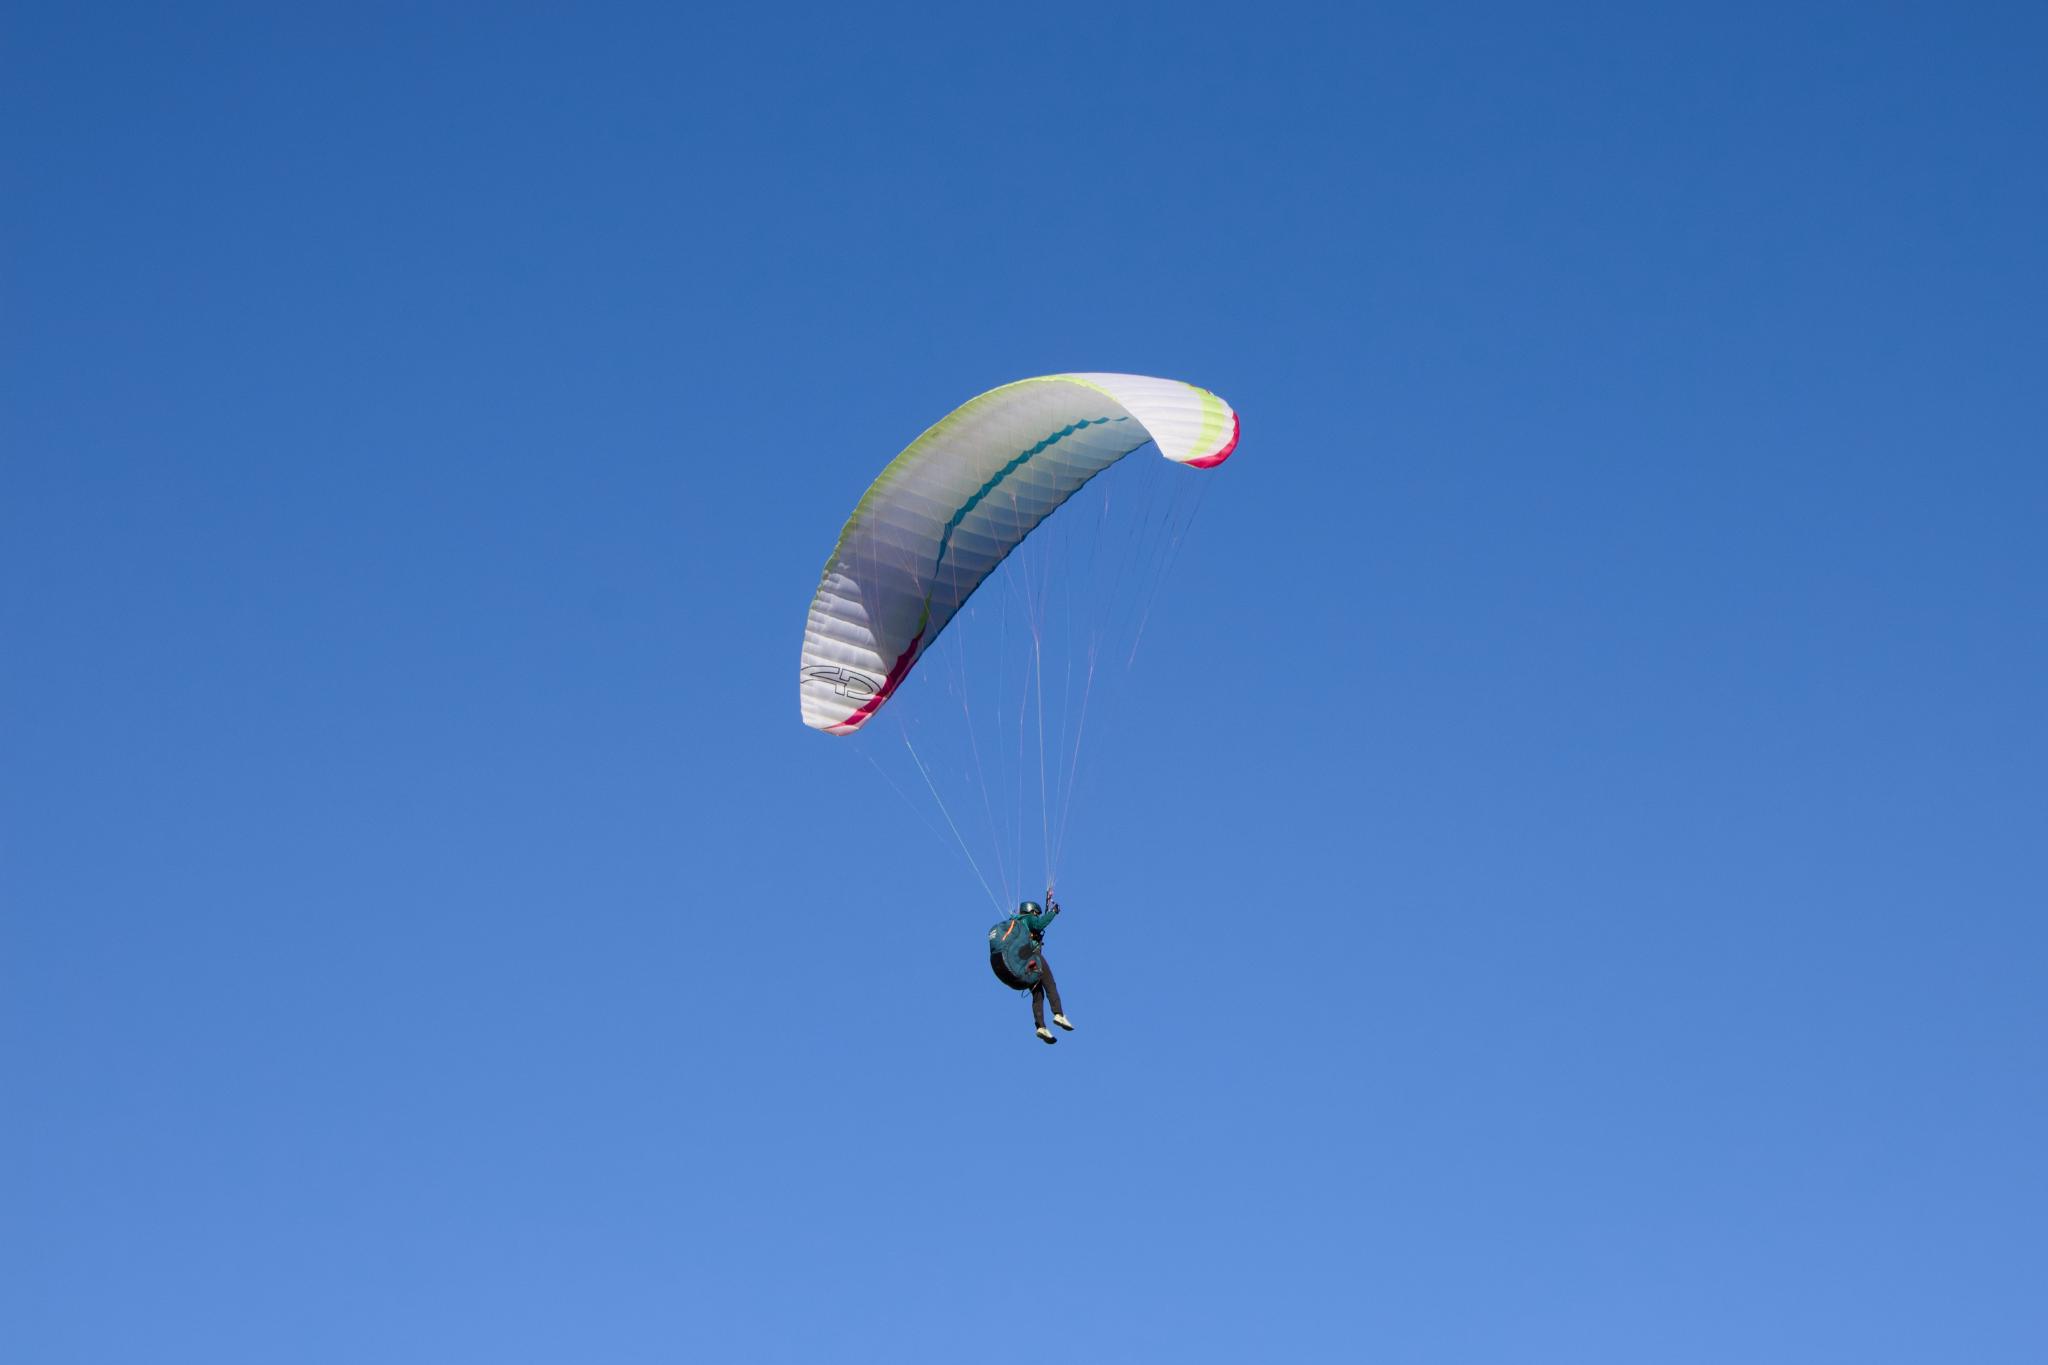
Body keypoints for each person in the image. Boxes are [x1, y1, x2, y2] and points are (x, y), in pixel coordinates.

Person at [988, 896, 1074, 1044]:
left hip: (1022, 963)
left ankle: (1040, 1026)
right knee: (1050, 983)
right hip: (1032, 958)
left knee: (1037, 992)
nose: (1036, 916)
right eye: (1036, 914)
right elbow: (1040, 924)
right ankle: (1058, 1013)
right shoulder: (1028, 919)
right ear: (1032, 911)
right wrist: (1053, 911)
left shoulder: (1017, 923)